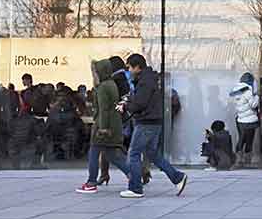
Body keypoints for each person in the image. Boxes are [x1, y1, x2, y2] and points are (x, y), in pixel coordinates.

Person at [119, 54, 188, 197]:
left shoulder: (145, 81)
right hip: (153, 121)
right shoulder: (148, 79)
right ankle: (177, 177)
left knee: (134, 154)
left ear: (137, 67)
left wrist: (126, 106)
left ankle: (135, 188)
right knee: (153, 154)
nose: (129, 71)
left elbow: (140, 103)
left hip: (146, 123)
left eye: (130, 67)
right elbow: (142, 100)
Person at [77, 58, 133, 194]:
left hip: (104, 125)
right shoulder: (111, 84)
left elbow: (103, 109)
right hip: (114, 123)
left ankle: (91, 182)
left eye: (95, 71)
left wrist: (102, 128)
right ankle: (133, 176)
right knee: (112, 154)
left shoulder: (102, 87)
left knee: (94, 152)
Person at [230, 73, 259, 168]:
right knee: (249, 140)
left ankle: (238, 160)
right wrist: (257, 97)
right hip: (250, 119)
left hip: (240, 118)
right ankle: (247, 160)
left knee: (241, 139)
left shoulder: (236, 90)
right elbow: (253, 104)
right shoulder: (248, 91)